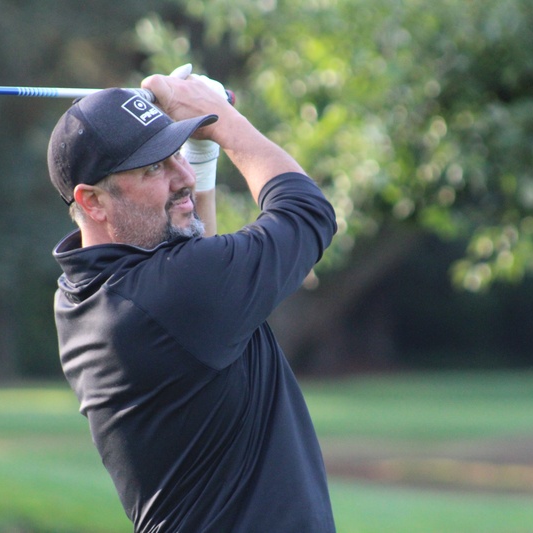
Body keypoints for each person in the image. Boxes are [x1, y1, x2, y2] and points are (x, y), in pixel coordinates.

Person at [47, 67, 337, 532]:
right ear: (93, 202)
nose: (182, 177)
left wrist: (201, 151)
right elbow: (308, 214)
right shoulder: (167, 295)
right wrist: (222, 119)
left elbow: (194, 256)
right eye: (153, 168)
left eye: (176, 154)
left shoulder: (82, 294)